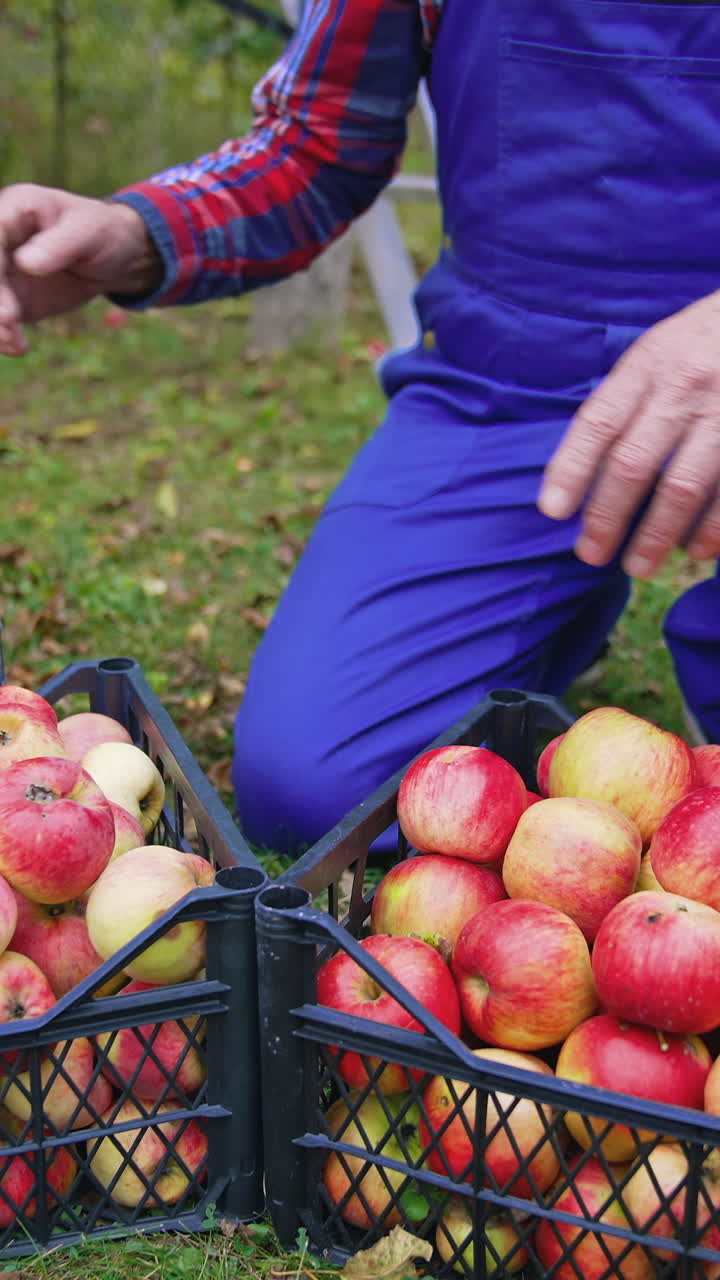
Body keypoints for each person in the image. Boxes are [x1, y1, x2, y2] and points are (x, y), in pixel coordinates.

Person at [1, 0, 719, 857]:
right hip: (511, 381)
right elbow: (316, 144)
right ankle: (542, 609)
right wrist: (133, 233)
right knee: (320, 792)